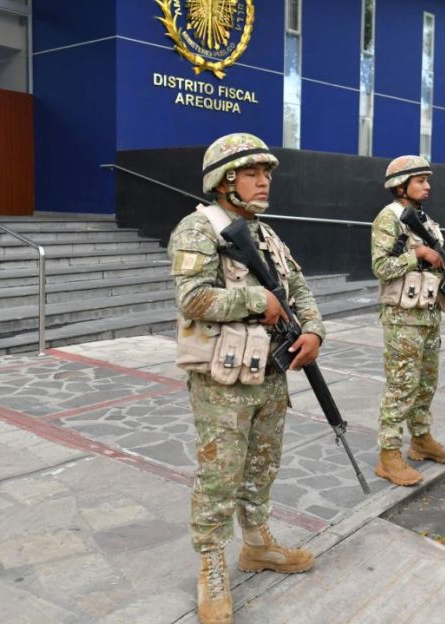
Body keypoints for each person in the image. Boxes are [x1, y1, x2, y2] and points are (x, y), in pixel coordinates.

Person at [168, 133, 325, 624]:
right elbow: (193, 299)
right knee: (220, 476)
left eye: (267, 174)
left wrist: (315, 330)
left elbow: (298, 287)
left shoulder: (266, 234)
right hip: (222, 382)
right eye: (254, 174)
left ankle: (256, 545)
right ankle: (211, 567)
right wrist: (258, 302)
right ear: (225, 180)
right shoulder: (198, 230)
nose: (264, 182)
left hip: (271, 374)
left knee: (261, 467)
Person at [370, 155, 445, 486]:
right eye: (420, 181)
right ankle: (389, 454)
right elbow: (380, 267)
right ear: (400, 186)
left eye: (427, 180)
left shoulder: (425, 221)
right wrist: (415, 255)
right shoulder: (389, 219)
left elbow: (441, 264)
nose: (427, 186)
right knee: (401, 384)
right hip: (403, 317)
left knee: (426, 382)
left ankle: (420, 440)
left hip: (429, 314)